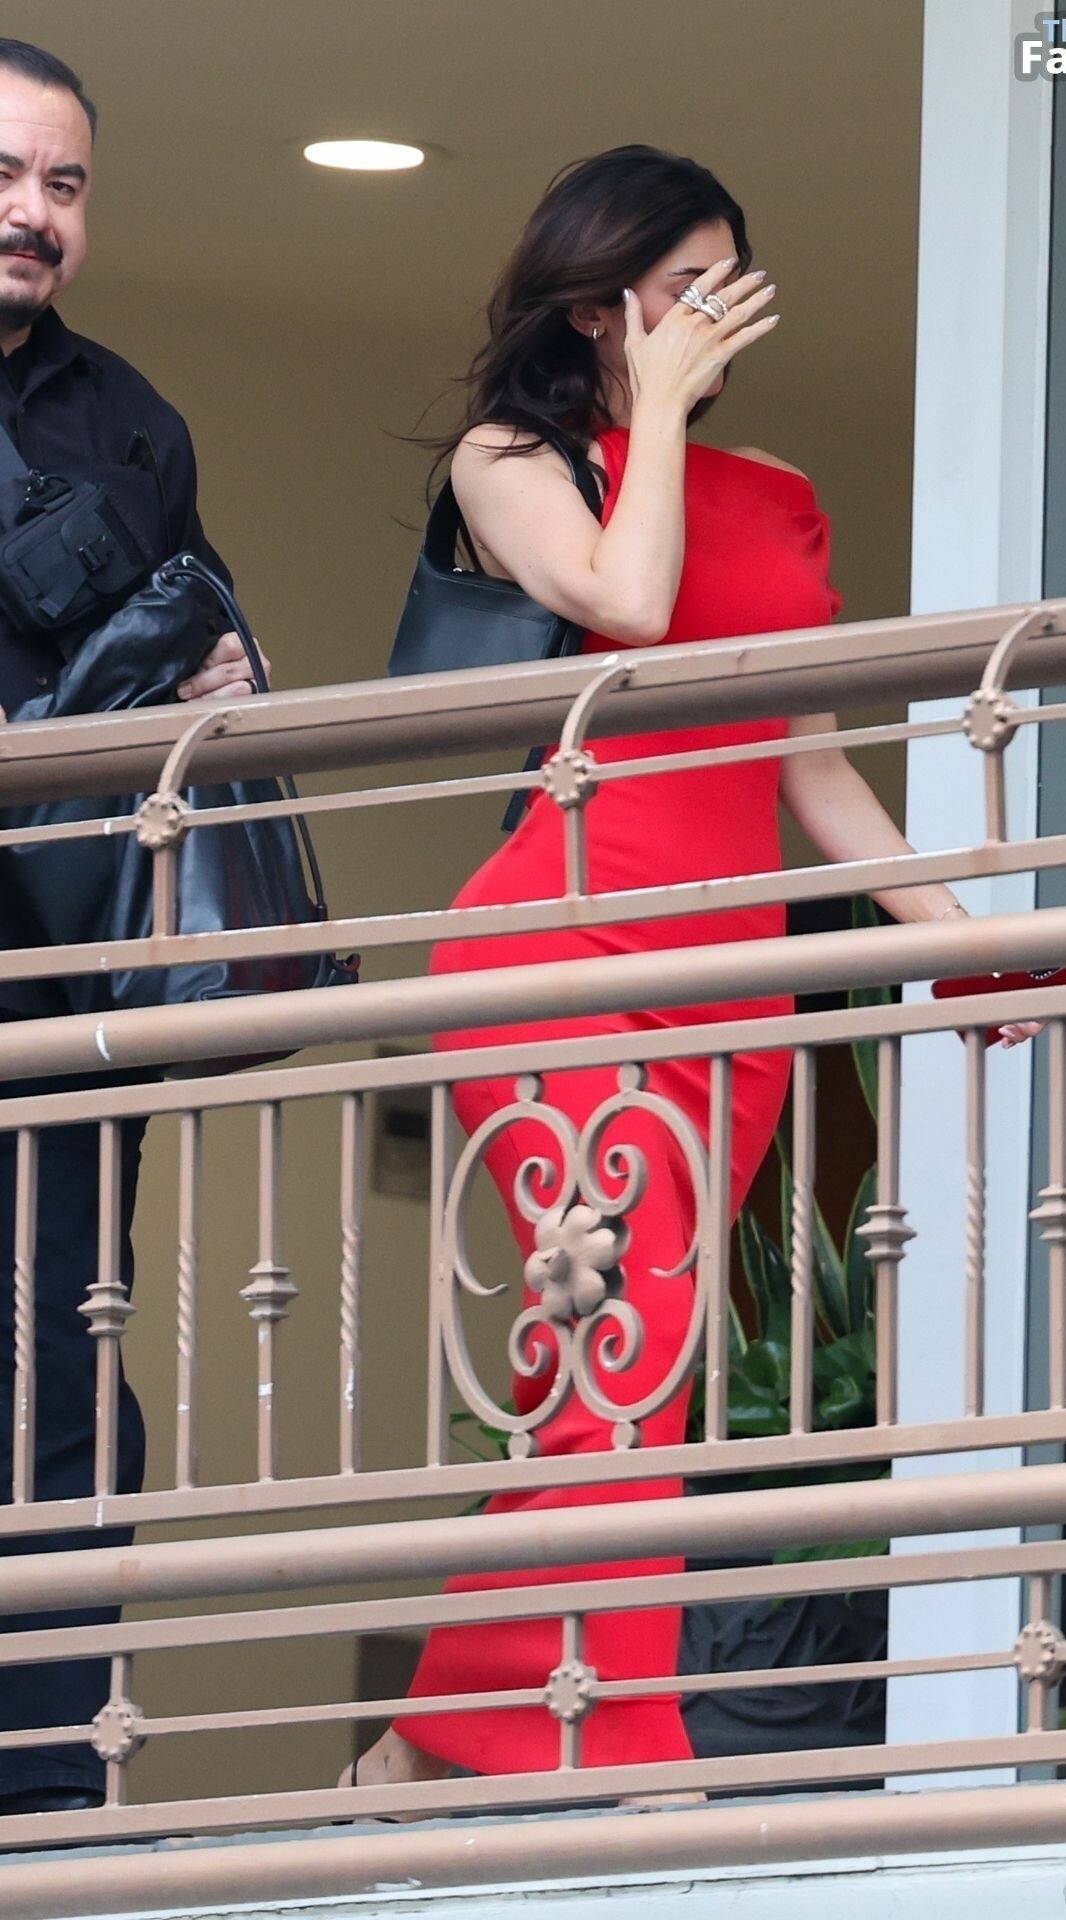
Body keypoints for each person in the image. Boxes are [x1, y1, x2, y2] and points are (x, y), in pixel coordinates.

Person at [347, 144, 1038, 1796]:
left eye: (733, 287)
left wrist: (963, 948)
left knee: (629, 1385)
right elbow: (629, 598)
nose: (718, 319)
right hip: (562, 948)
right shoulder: (516, 461)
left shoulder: (776, 488)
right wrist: (650, 410)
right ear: (600, 306)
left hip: (733, 979)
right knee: (616, 1357)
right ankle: (613, 1751)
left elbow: (813, 771)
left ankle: (429, 1747)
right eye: (684, 290)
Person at [0, 39, 265, 1817]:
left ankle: (38, 1806)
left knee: (60, 1378)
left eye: (64, 184)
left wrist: (222, 680)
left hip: (68, 976)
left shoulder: (129, 420)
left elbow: (209, 651)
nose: (34, 213)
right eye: (6, 174)